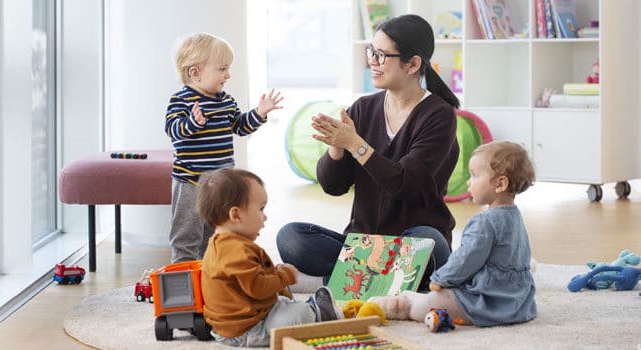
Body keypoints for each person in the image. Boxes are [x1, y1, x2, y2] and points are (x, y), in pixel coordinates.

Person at [277, 14, 459, 288]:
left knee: (431, 247)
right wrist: (337, 149)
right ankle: (386, 281)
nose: (371, 61)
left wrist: (355, 145)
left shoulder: (439, 115)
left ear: (413, 64)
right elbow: (333, 186)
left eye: (381, 55)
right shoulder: (363, 108)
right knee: (290, 237)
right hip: (362, 242)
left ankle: (337, 281)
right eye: (371, 51)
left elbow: (405, 183)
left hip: (411, 239)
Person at [370, 141, 537, 327]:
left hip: (486, 303)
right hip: (518, 303)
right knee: (439, 295)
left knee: (431, 302)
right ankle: (411, 298)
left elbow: (466, 259)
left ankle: (402, 307)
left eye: (474, 175)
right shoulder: (515, 216)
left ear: (500, 183)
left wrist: (441, 278)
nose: (468, 182)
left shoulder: (484, 222)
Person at [165, 32, 283, 263]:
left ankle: (211, 274)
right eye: (222, 69)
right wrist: (192, 123)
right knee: (186, 233)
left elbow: (240, 127)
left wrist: (259, 113)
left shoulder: (226, 100)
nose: (228, 74)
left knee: (215, 233)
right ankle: (184, 275)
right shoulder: (181, 100)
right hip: (190, 181)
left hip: (219, 184)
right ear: (195, 73)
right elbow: (173, 131)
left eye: (228, 69)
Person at [197, 168, 340, 347]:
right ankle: (316, 313)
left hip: (247, 317)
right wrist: (284, 276)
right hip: (248, 330)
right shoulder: (235, 250)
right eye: (261, 209)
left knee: (281, 302)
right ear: (236, 215)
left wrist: (275, 274)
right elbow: (258, 288)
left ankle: (310, 308)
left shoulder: (221, 244)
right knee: (298, 316)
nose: (265, 217)